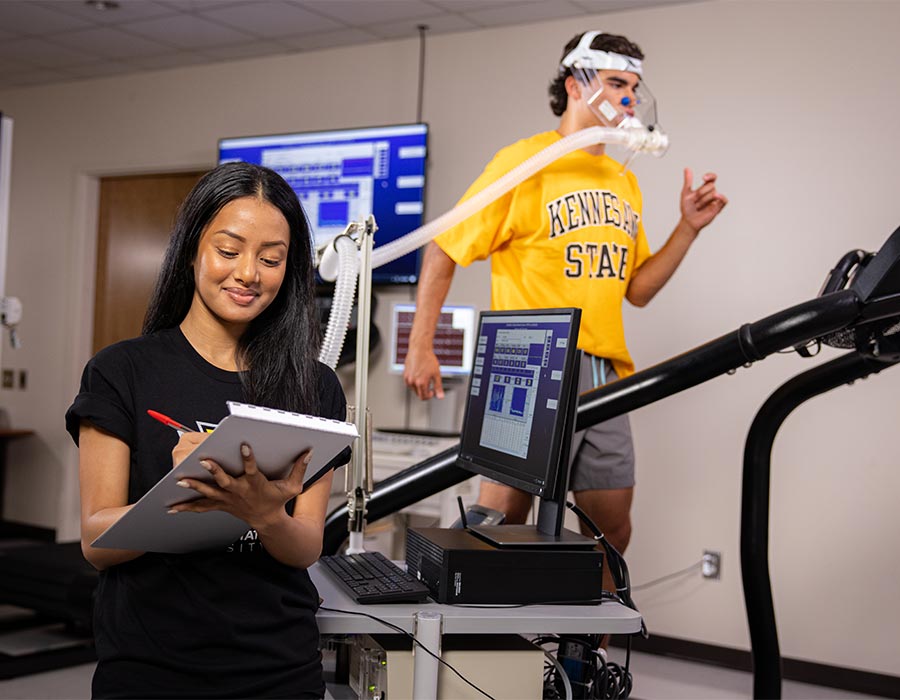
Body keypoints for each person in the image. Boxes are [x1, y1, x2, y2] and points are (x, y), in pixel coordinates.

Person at [403, 31, 727, 581]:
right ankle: (493, 660)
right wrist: (420, 346)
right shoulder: (523, 162)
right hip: (525, 362)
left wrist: (687, 229)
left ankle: (586, 660)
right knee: (500, 525)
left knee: (611, 531)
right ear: (578, 83)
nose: (630, 99)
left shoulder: (624, 181)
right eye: (617, 83)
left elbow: (639, 289)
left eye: (634, 87)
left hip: (602, 369)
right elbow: (443, 246)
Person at [66, 162, 349, 699]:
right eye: (228, 250)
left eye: (271, 259)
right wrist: (182, 493)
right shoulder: (121, 371)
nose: (248, 273)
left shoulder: (314, 386)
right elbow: (96, 542)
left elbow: (306, 545)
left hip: (277, 669)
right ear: (193, 248)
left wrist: (264, 513)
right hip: (150, 668)